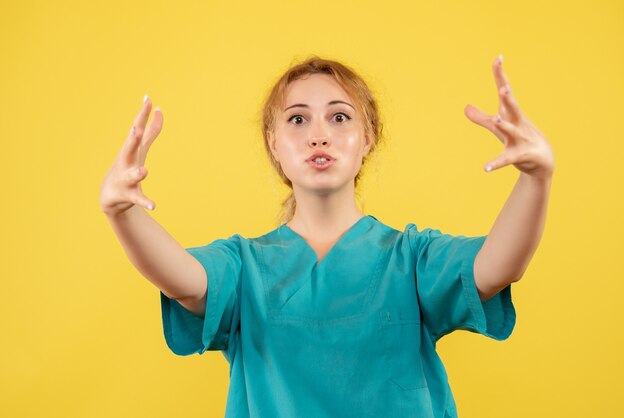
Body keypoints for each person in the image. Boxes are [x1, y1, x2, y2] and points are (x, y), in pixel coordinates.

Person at [100, 55, 554, 417]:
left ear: (368, 137)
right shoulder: (243, 267)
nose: (319, 135)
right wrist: (122, 213)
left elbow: (498, 266)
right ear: (273, 142)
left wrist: (535, 179)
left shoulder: (411, 259)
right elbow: (183, 278)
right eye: (297, 120)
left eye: (340, 118)